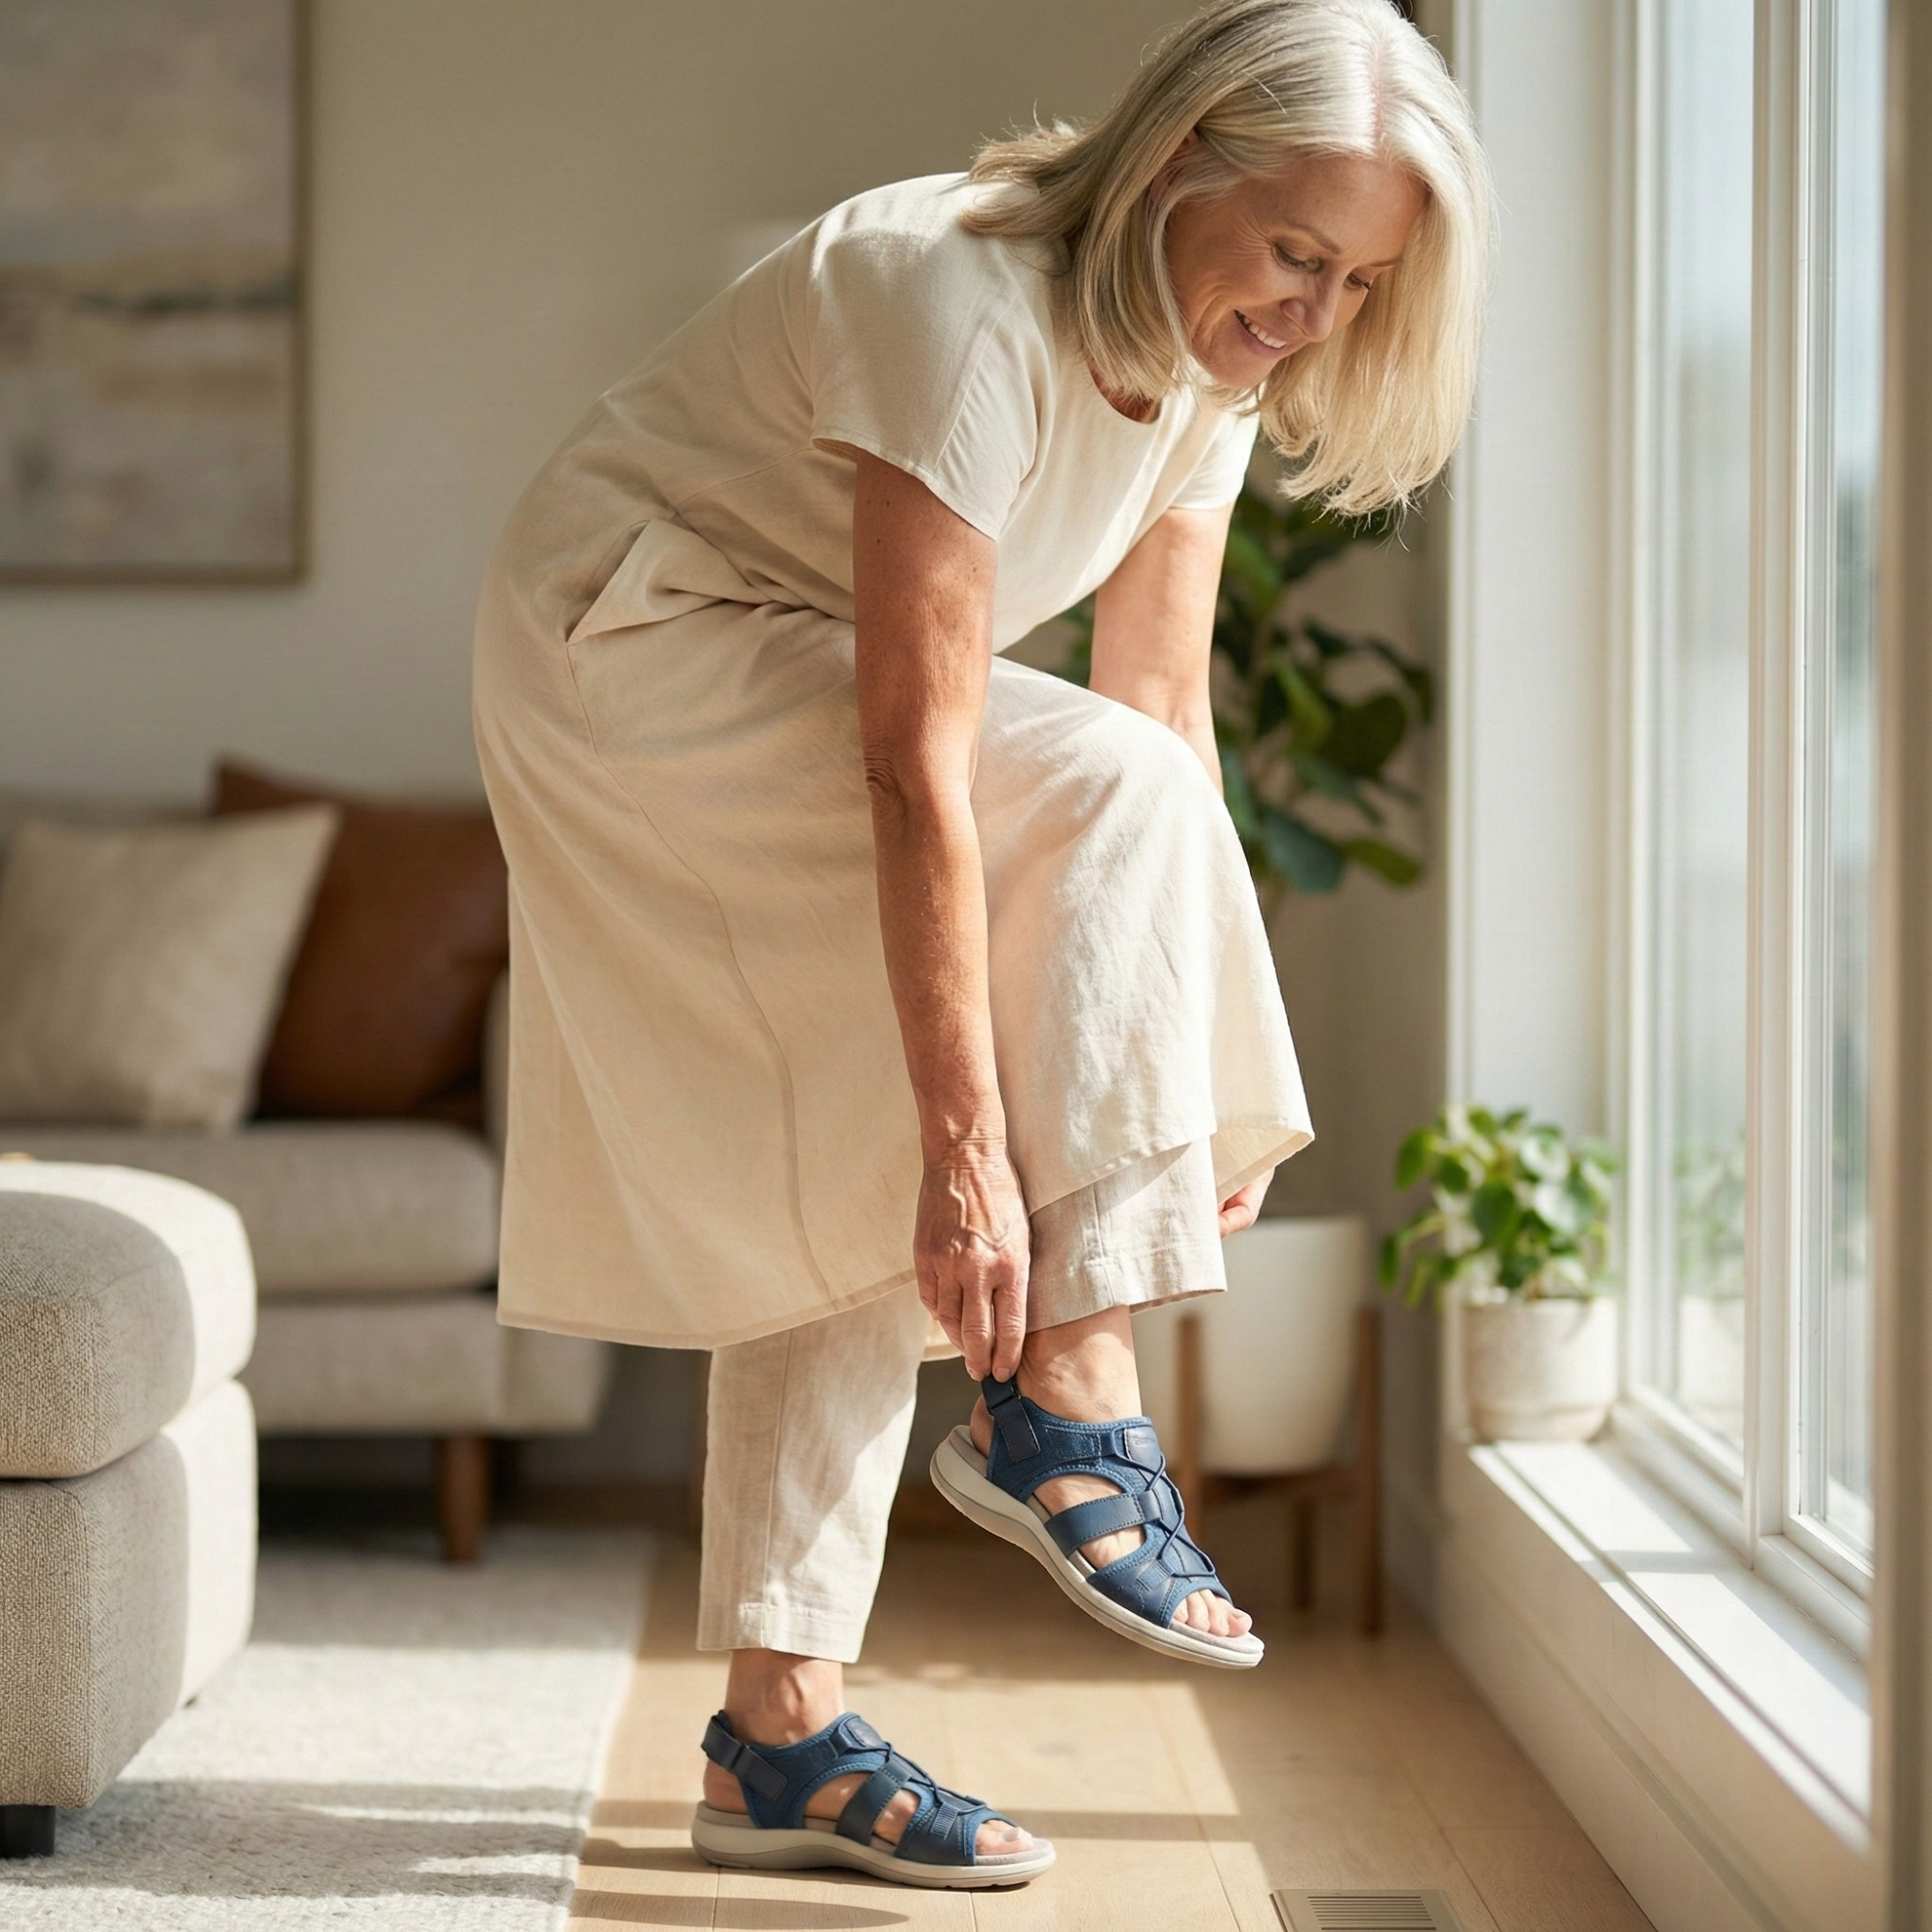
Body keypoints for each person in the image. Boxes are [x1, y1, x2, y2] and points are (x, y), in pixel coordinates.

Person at [473, 0, 1491, 1891]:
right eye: (1292, 251)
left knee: (857, 1130)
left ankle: (773, 1737)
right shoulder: (949, 297)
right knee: (930, 1122)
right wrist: (986, 1173)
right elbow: (912, 761)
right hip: (633, 650)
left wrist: (1168, 1091)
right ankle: (1060, 1394)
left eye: (1357, 282)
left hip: (781, 680)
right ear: (1180, 160)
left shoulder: (1214, 364)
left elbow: (1163, 718)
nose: (1312, 313)